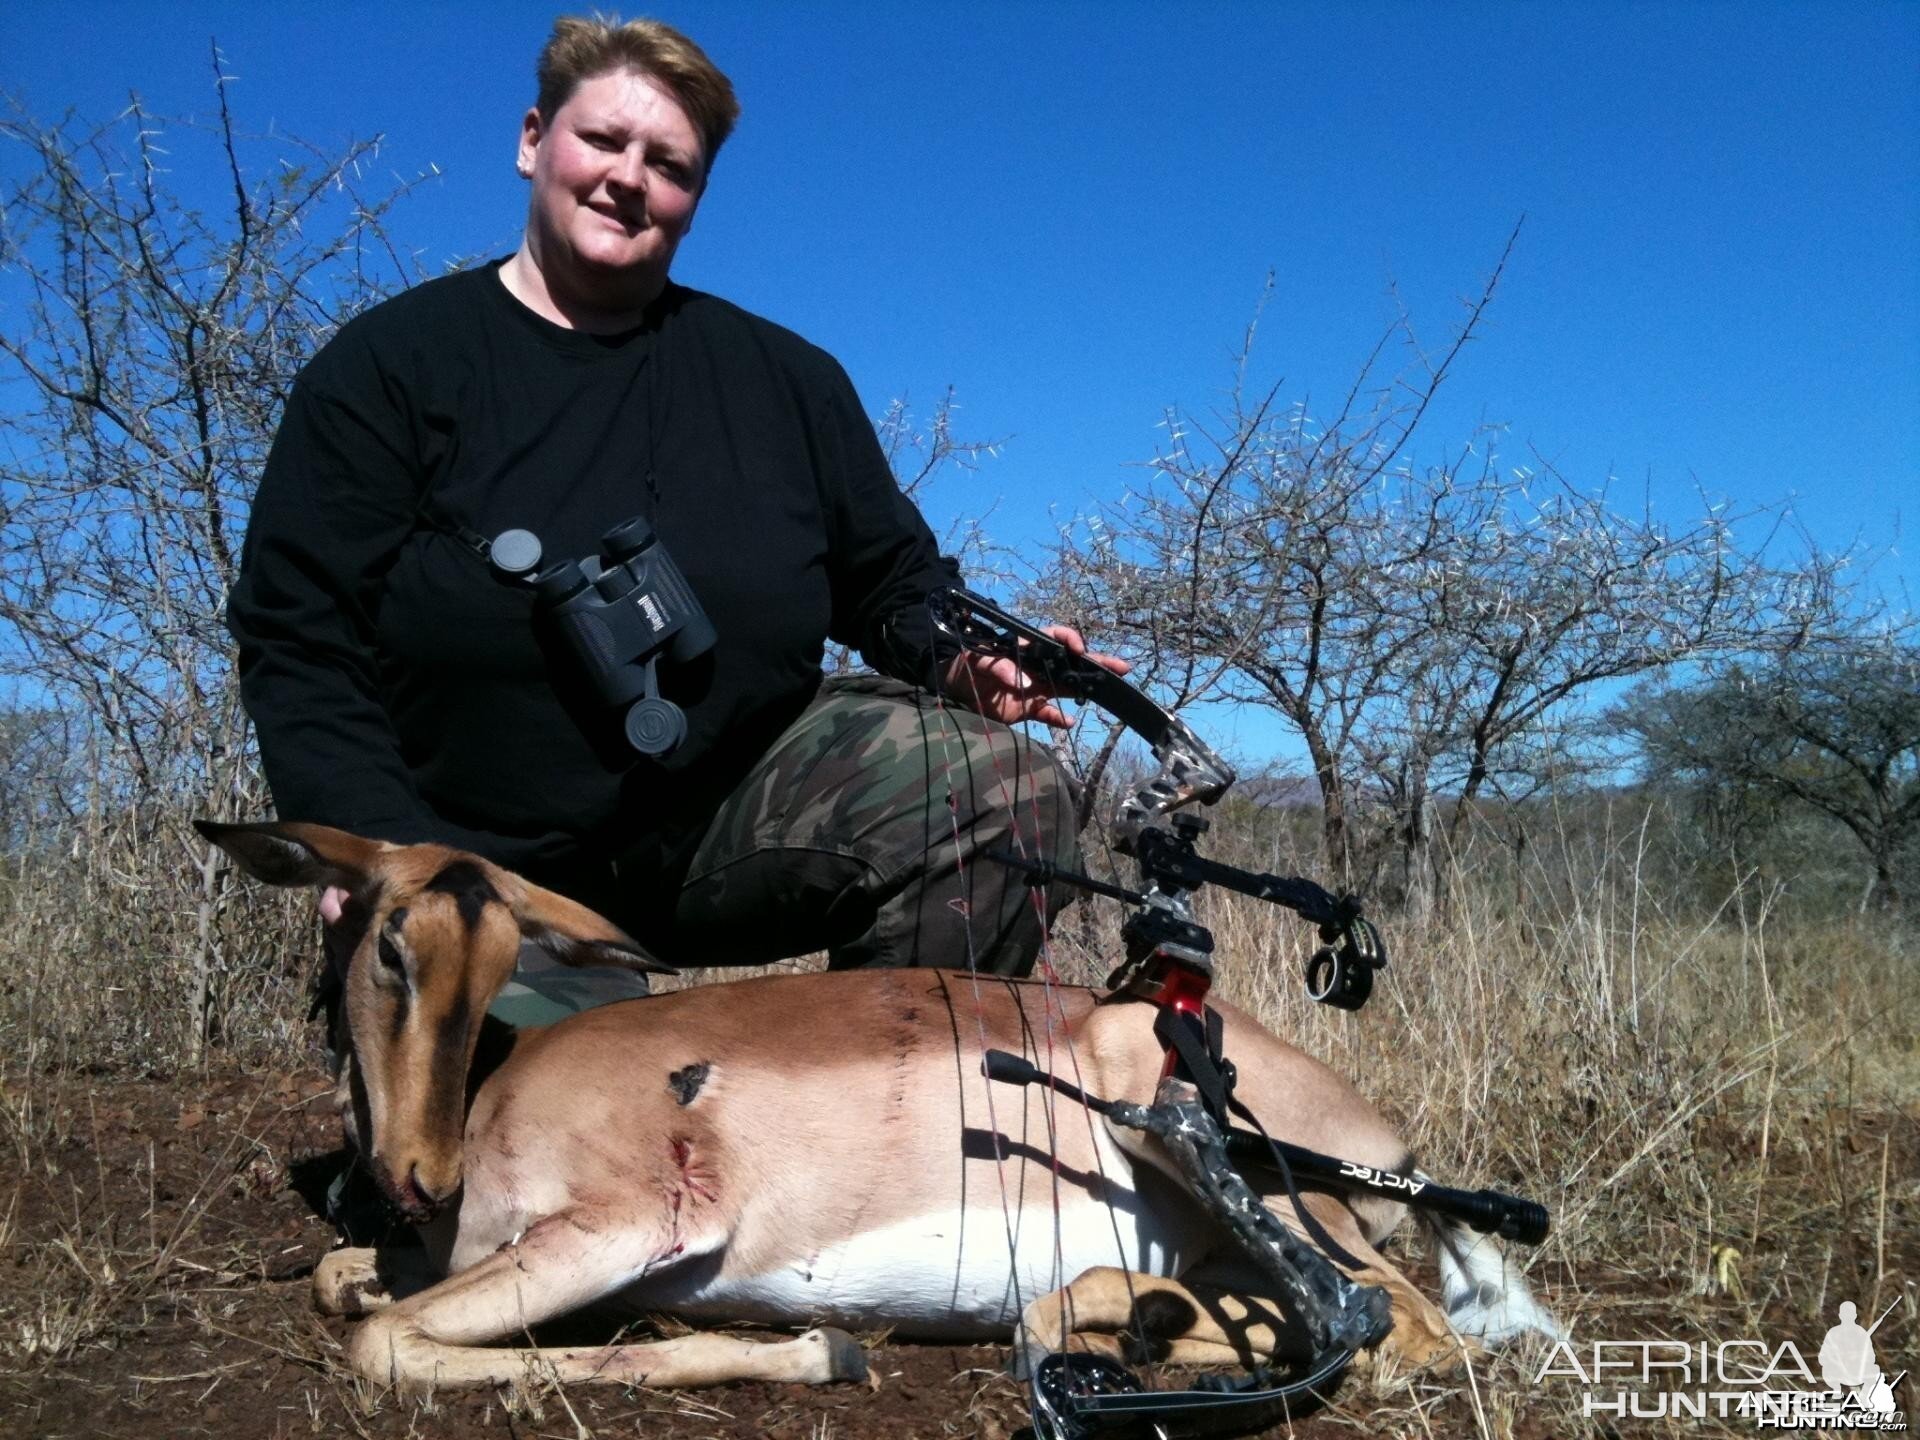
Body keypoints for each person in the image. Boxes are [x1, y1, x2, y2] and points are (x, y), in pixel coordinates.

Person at [227, 15, 1121, 1027]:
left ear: (694, 198)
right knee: (502, 1177)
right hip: (479, 865)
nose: (628, 179)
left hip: (724, 822)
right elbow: (299, 631)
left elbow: (895, 582)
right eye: (603, 141)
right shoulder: (388, 371)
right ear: (533, 141)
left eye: (670, 165)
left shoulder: (787, 381)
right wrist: (376, 847)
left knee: (996, 792)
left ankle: (885, 1121)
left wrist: (967, 658)